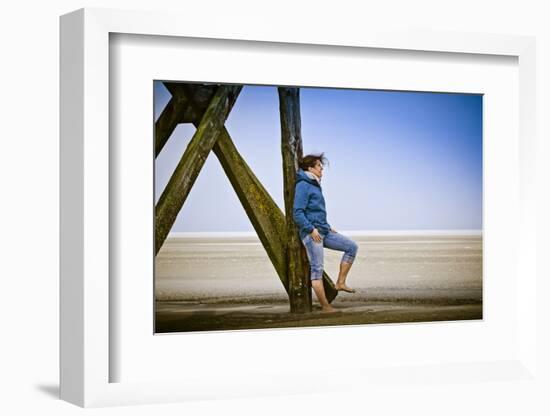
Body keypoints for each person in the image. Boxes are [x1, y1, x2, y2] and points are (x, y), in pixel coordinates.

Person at [293, 153, 359, 313]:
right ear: (310, 168)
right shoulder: (303, 185)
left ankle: (340, 283)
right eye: (319, 166)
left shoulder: (315, 184)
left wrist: (327, 226)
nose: (321, 169)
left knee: (352, 247)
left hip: (323, 230)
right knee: (317, 269)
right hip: (312, 234)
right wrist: (311, 229)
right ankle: (325, 307)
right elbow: (297, 212)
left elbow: (315, 210)